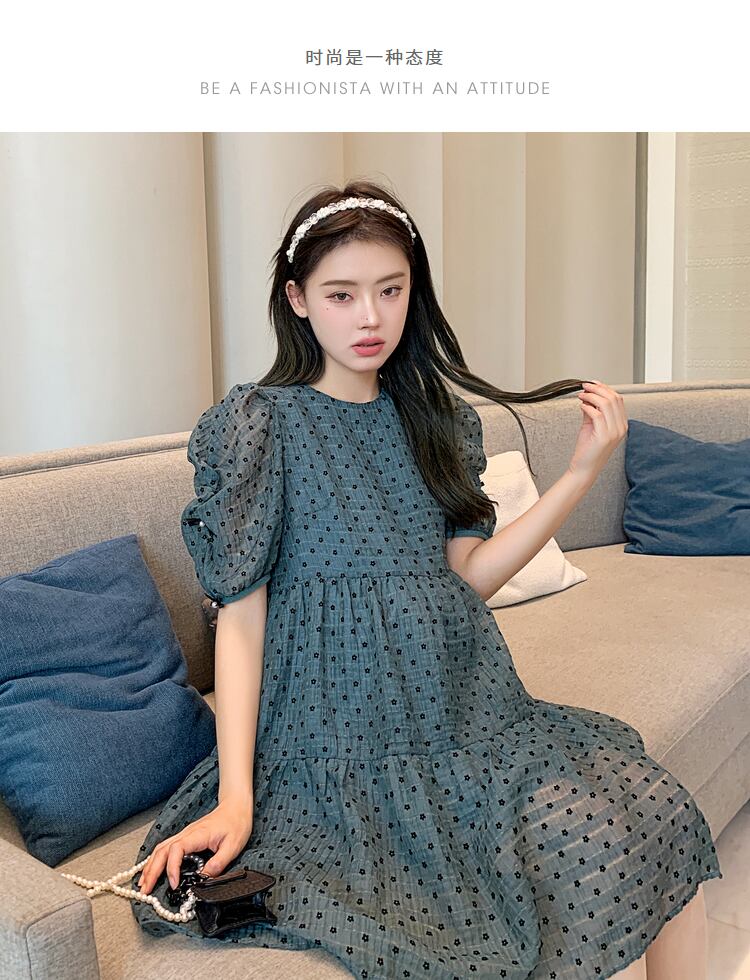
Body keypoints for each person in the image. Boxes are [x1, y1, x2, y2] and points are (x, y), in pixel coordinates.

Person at [125, 180, 722, 978]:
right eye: (341, 294)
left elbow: (468, 580)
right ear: (298, 299)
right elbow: (241, 616)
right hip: (332, 741)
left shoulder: (438, 420)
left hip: (465, 713)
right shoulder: (262, 424)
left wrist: (582, 472)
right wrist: (238, 795)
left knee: (657, 816)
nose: (370, 317)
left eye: (390, 290)